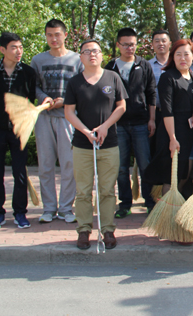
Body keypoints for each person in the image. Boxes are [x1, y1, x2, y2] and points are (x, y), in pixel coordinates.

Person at [65, 39, 127, 250]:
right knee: (83, 190)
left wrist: (105, 127)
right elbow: (69, 112)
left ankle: (107, 229)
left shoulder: (113, 77)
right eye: (87, 51)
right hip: (82, 145)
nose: (92, 54)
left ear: (102, 55)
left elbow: (121, 106)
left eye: (96, 51)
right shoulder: (74, 82)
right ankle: (84, 230)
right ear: (80, 57)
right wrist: (86, 131)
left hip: (109, 143)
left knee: (107, 190)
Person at [0, 32, 38, 230]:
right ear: (2, 50)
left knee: (20, 172)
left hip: (19, 130)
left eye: (20, 47)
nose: (18, 51)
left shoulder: (28, 72)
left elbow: (31, 97)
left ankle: (20, 213)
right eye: (14, 47)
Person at [30, 19, 83, 224]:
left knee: (69, 164)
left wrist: (66, 101)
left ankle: (66, 208)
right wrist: (44, 98)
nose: (53, 39)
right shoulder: (38, 60)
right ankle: (49, 209)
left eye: (57, 34)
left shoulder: (77, 59)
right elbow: (33, 86)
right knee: (45, 165)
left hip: (68, 118)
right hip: (44, 118)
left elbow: (83, 86)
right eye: (49, 35)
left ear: (65, 35)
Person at [105, 28, 157, 218]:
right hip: (118, 125)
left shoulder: (143, 65)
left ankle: (149, 202)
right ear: (118, 45)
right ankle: (125, 204)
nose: (129, 48)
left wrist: (152, 119)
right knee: (120, 167)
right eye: (125, 45)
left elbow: (151, 93)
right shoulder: (110, 67)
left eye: (132, 44)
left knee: (145, 164)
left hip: (141, 122)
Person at [143, 39, 193, 200]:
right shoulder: (168, 77)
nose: (182, 58)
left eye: (186, 54)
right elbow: (167, 111)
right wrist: (172, 138)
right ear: (172, 57)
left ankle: (178, 207)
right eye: (178, 54)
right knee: (172, 176)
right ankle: (167, 210)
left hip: (190, 134)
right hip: (172, 132)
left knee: (185, 174)